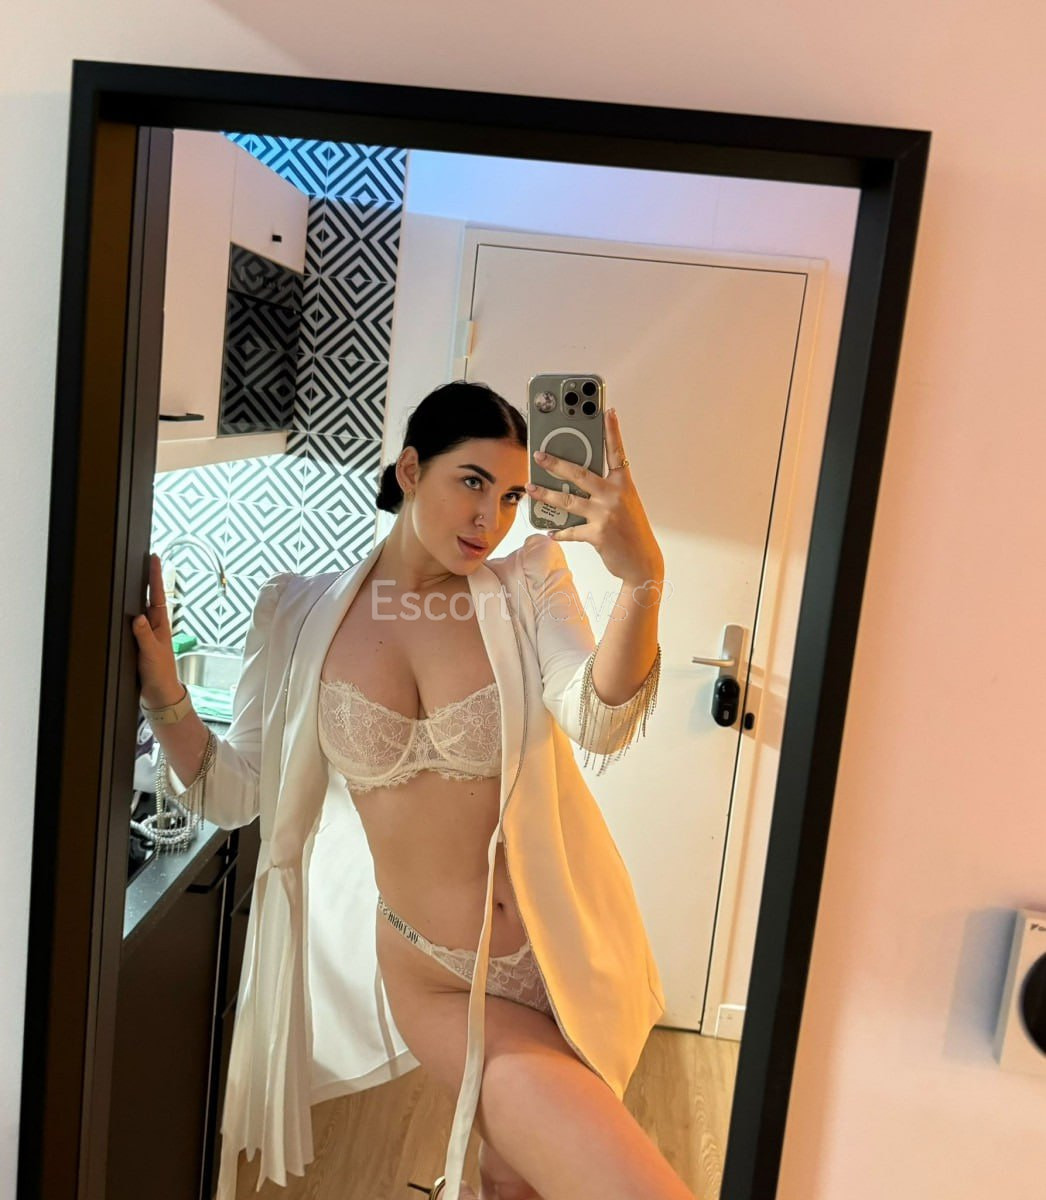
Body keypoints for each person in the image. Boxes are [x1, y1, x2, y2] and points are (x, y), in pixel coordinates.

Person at [132, 381, 691, 1200]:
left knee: (516, 1180)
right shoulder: (298, 613)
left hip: (568, 947)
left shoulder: (529, 580)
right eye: (472, 482)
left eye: (511, 497)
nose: (491, 519)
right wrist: (164, 697)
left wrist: (643, 582)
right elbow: (235, 791)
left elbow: (598, 719)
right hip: (436, 974)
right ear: (410, 470)